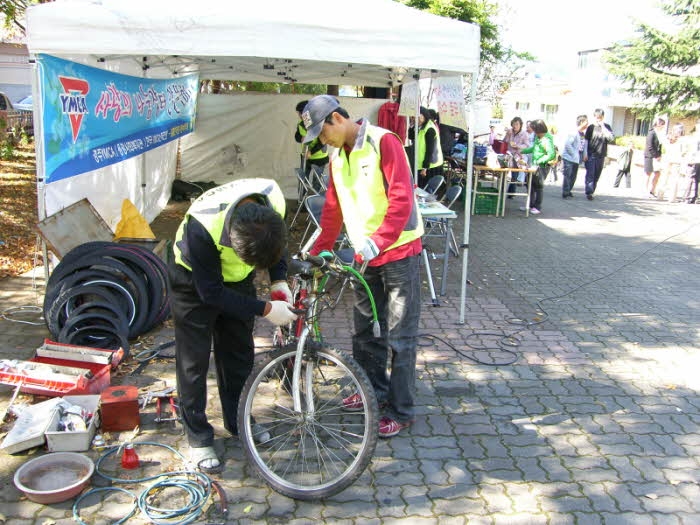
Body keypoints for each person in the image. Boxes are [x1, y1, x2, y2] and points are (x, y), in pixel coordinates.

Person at [300, 94, 423, 438]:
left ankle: (401, 409)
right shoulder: (336, 158)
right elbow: (332, 212)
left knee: (400, 336)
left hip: (398, 253)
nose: (322, 142)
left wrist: (379, 240)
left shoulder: (385, 142)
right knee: (364, 331)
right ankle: (372, 391)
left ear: (337, 119)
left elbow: (402, 199)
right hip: (362, 257)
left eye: (322, 134)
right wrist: (319, 252)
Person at [168, 178, 298, 474]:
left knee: (239, 354)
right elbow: (210, 293)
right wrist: (266, 309)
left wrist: (278, 280)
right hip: (193, 282)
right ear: (232, 237)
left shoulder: (273, 198)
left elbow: (278, 247)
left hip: (237, 281)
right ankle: (198, 435)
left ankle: (238, 420)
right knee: (193, 361)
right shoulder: (203, 224)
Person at [520, 119, 556, 215]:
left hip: (543, 166)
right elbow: (534, 148)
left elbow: (550, 154)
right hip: (534, 164)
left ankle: (537, 206)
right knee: (529, 184)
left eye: (534, 129)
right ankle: (530, 204)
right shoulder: (538, 137)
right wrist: (522, 151)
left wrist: (539, 162)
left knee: (538, 186)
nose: (533, 132)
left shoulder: (547, 139)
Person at [407, 106, 444, 188]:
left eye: (418, 117)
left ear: (424, 116)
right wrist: (412, 125)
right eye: (414, 117)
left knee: (427, 190)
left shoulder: (430, 129)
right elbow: (411, 136)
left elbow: (430, 150)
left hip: (430, 165)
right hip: (421, 163)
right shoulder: (420, 126)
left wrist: (425, 168)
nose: (416, 119)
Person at [583, 108, 615, 200]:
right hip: (591, 154)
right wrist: (585, 153)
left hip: (601, 155)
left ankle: (592, 190)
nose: (598, 119)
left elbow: (611, 138)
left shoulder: (607, 127)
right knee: (590, 174)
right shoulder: (591, 127)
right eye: (597, 117)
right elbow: (586, 141)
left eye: (600, 117)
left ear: (603, 117)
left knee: (597, 174)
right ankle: (589, 192)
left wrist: (603, 127)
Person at [294, 100, 329, 180]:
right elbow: (297, 136)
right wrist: (301, 138)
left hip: (319, 157)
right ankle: (302, 193)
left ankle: (315, 192)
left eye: (299, 113)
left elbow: (323, 141)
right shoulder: (301, 124)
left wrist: (311, 152)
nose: (299, 115)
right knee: (303, 180)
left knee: (317, 182)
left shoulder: (320, 122)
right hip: (305, 157)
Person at [560, 114, 589, 198]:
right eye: (586, 122)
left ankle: (569, 190)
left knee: (573, 175)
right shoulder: (574, 132)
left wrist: (584, 154)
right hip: (569, 157)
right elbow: (568, 144)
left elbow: (583, 146)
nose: (587, 124)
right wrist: (573, 154)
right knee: (568, 175)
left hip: (577, 157)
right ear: (581, 122)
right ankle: (565, 191)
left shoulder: (582, 134)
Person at [502, 116, 531, 197]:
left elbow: (527, 145)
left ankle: (511, 193)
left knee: (514, 175)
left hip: (518, 156)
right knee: (504, 173)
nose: (515, 126)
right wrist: (507, 135)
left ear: (520, 125)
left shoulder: (524, 134)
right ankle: (501, 191)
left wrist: (518, 146)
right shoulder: (510, 132)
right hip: (508, 155)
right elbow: (504, 141)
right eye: (514, 124)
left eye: (517, 124)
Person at [644, 117, 665, 198]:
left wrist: (659, 155)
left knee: (657, 173)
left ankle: (652, 190)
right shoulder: (651, 133)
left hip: (657, 157)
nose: (663, 127)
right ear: (657, 124)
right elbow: (650, 146)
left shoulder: (659, 134)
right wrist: (656, 156)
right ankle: (645, 191)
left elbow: (660, 146)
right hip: (649, 156)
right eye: (662, 125)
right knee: (648, 174)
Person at [682, 121, 700, 204]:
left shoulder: (695, 137)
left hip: (694, 159)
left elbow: (693, 149)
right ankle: (695, 197)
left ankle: (687, 197)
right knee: (696, 179)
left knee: (689, 178)